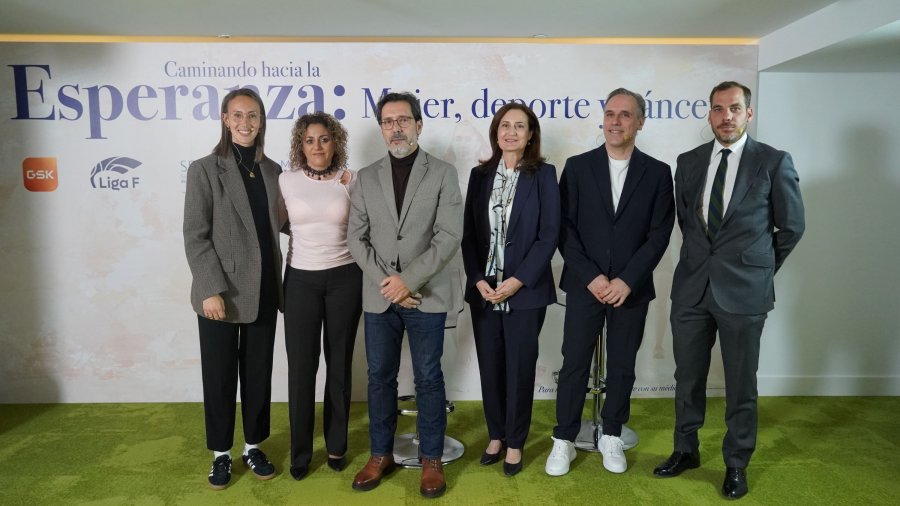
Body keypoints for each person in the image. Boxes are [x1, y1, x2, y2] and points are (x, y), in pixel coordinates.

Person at [653, 81, 805, 500]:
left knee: (741, 384)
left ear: (748, 114)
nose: (726, 117)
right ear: (709, 114)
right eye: (718, 109)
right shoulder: (688, 162)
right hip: (692, 289)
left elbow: (791, 227)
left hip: (745, 293)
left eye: (734, 108)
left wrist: (757, 268)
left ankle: (736, 463)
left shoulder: (773, 162)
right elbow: (688, 222)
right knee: (687, 378)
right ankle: (685, 450)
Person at [545, 88, 675, 476]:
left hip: (630, 291)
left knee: (622, 365)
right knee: (574, 363)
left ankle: (612, 435)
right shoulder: (578, 167)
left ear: (640, 122)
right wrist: (593, 277)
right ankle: (564, 439)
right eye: (610, 113)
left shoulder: (657, 172)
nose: (615, 121)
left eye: (625, 115)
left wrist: (627, 281)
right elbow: (564, 229)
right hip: (586, 284)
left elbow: (659, 234)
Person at [347, 91, 463, 499]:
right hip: (381, 297)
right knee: (380, 377)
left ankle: (431, 458)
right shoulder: (366, 175)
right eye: (388, 121)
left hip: (426, 295)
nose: (395, 128)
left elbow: (448, 235)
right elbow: (355, 238)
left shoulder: (444, 173)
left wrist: (408, 281)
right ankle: (380, 455)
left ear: (419, 124)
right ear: (381, 128)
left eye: (403, 120)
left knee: (429, 377)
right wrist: (390, 284)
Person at [183, 88, 285, 490]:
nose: (246, 122)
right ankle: (221, 455)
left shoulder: (275, 171)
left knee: (259, 375)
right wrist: (210, 288)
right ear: (225, 119)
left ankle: (253, 445)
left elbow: (290, 222)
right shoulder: (205, 169)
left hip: (264, 291)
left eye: (254, 116)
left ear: (262, 121)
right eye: (238, 115)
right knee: (221, 377)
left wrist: (334, 190)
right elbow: (195, 235)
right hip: (220, 295)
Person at [461, 103, 560, 477]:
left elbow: (549, 233)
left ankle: (516, 442)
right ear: (496, 131)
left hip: (525, 291)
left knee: (520, 368)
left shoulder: (544, 174)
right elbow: (469, 234)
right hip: (485, 293)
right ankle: (496, 435)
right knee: (491, 366)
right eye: (506, 125)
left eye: (520, 126)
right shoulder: (479, 175)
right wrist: (479, 280)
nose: (512, 132)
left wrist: (517, 281)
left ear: (531, 134)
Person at [280, 112, 362, 481]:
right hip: (300, 280)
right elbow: (278, 223)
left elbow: (366, 228)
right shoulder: (285, 181)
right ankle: (300, 452)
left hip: (345, 278)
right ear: (301, 145)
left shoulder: (352, 180)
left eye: (325, 139)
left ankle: (336, 445)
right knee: (301, 369)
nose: (317, 146)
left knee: (339, 366)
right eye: (310, 140)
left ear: (335, 143)